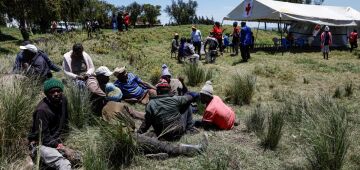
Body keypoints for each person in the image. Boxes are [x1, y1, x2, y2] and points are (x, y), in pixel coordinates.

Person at [102, 86, 208, 159]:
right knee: (163, 145)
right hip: (128, 137)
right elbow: (131, 124)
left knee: (151, 137)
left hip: (121, 140)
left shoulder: (104, 110)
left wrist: (140, 132)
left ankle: (154, 154)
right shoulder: (120, 106)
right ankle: (195, 149)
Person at [28, 78, 80, 170]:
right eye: (52, 92)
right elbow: (44, 138)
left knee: (78, 158)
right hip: (41, 144)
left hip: (57, 141)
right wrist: (63, 148)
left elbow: (66, 122)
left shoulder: (63, 100)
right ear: (46, 94)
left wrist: (64, 144)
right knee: (64, 164)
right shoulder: (42, 111)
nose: (56, 94)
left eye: (58, 91)